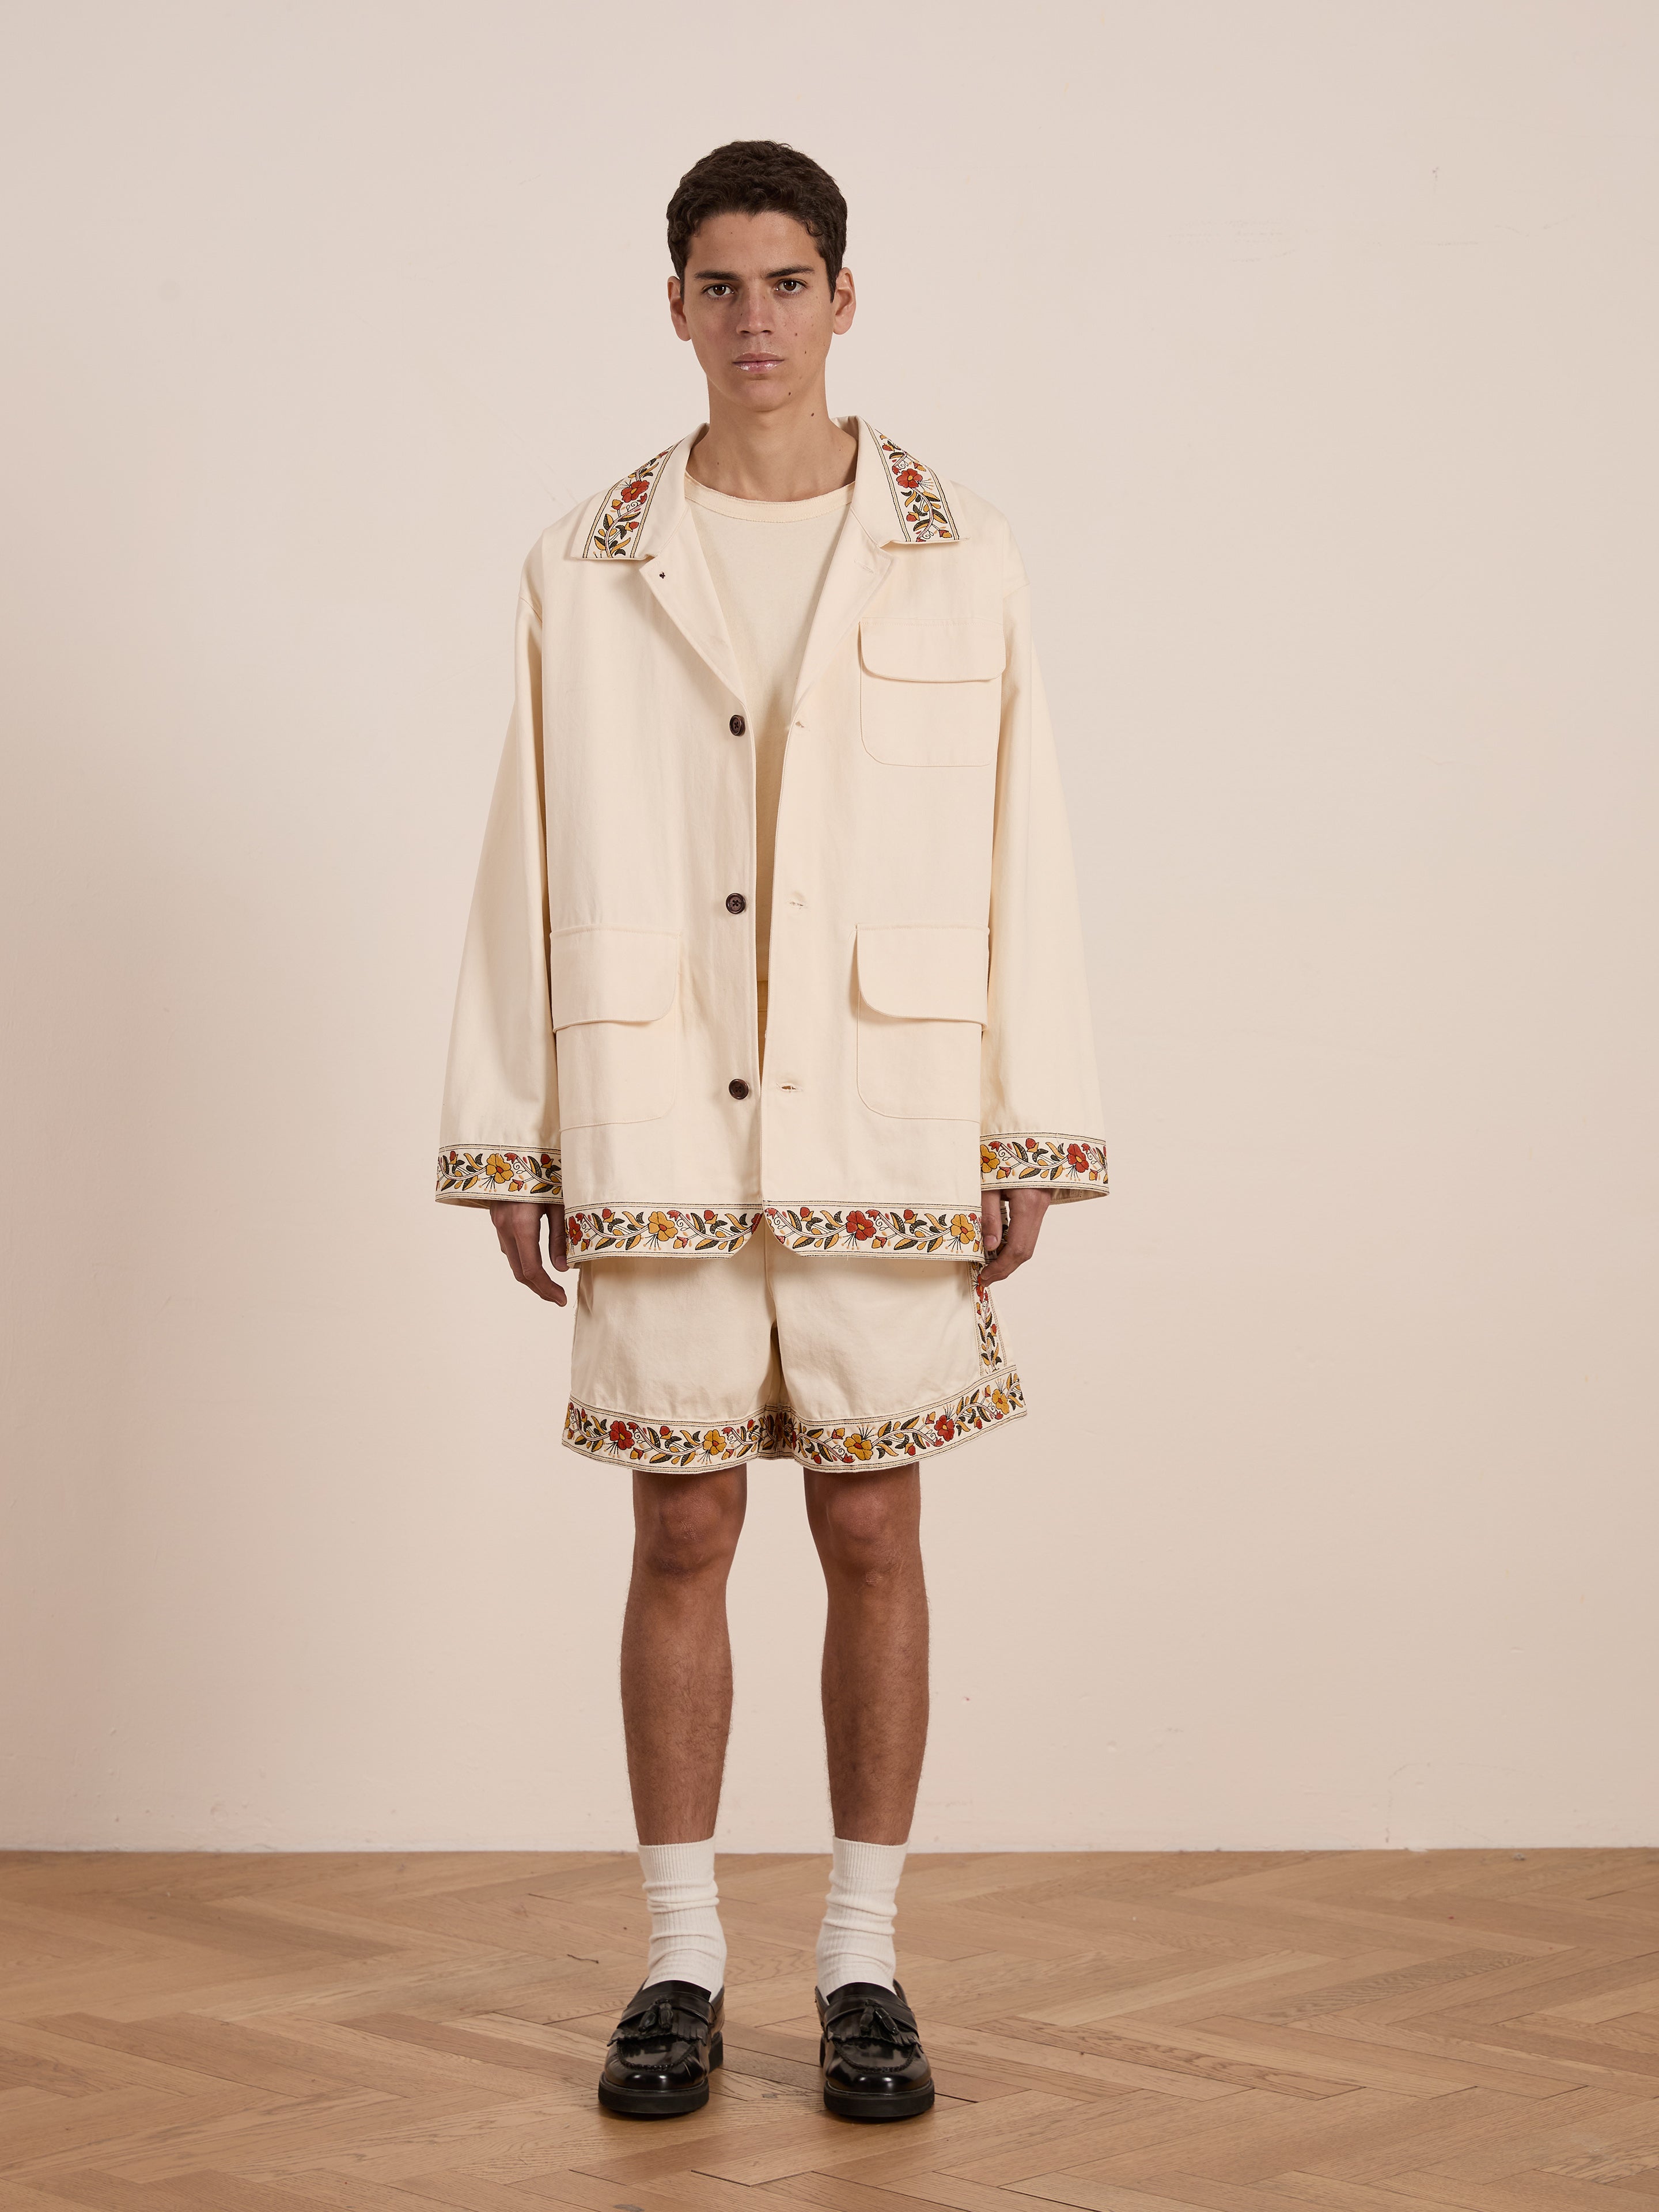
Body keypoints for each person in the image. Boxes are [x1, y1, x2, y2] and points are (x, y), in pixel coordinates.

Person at [435, 139, 1107, 2123]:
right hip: (654, 1108)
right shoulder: (586, 558)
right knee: (682, 1523)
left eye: (789, 282)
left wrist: (1026, 1123)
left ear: (842, 297)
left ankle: (865, 1965)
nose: (756, 320)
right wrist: (515, 1130)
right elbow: (518, 865)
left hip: (890, 1113)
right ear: (673, 304)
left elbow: (1023, 849)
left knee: (876, 1519)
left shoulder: (957, 547)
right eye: (720, 285)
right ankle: (675, 1963)